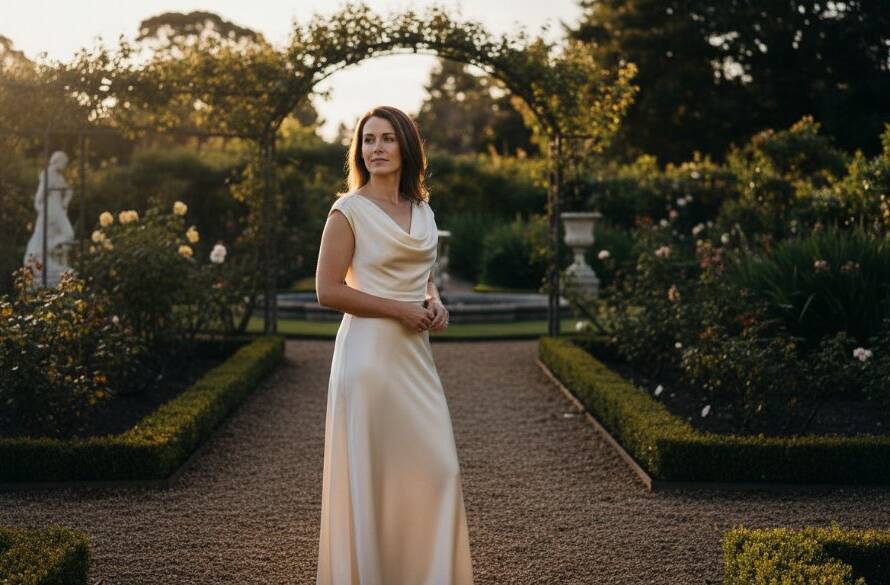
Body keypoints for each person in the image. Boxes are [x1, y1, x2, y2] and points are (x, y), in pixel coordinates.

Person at [314, 105, 474, 584]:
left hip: (414, 359)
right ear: (359, 150)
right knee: (374, 478)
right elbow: (328, 291)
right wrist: (400, 309)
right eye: (368, 140)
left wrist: (433, 301)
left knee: (439, 470)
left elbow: (422, 279)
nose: (376, 149)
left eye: (386, 139)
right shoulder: (348, 211)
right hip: (367, 359)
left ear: (406, 146)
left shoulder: (423, 210)